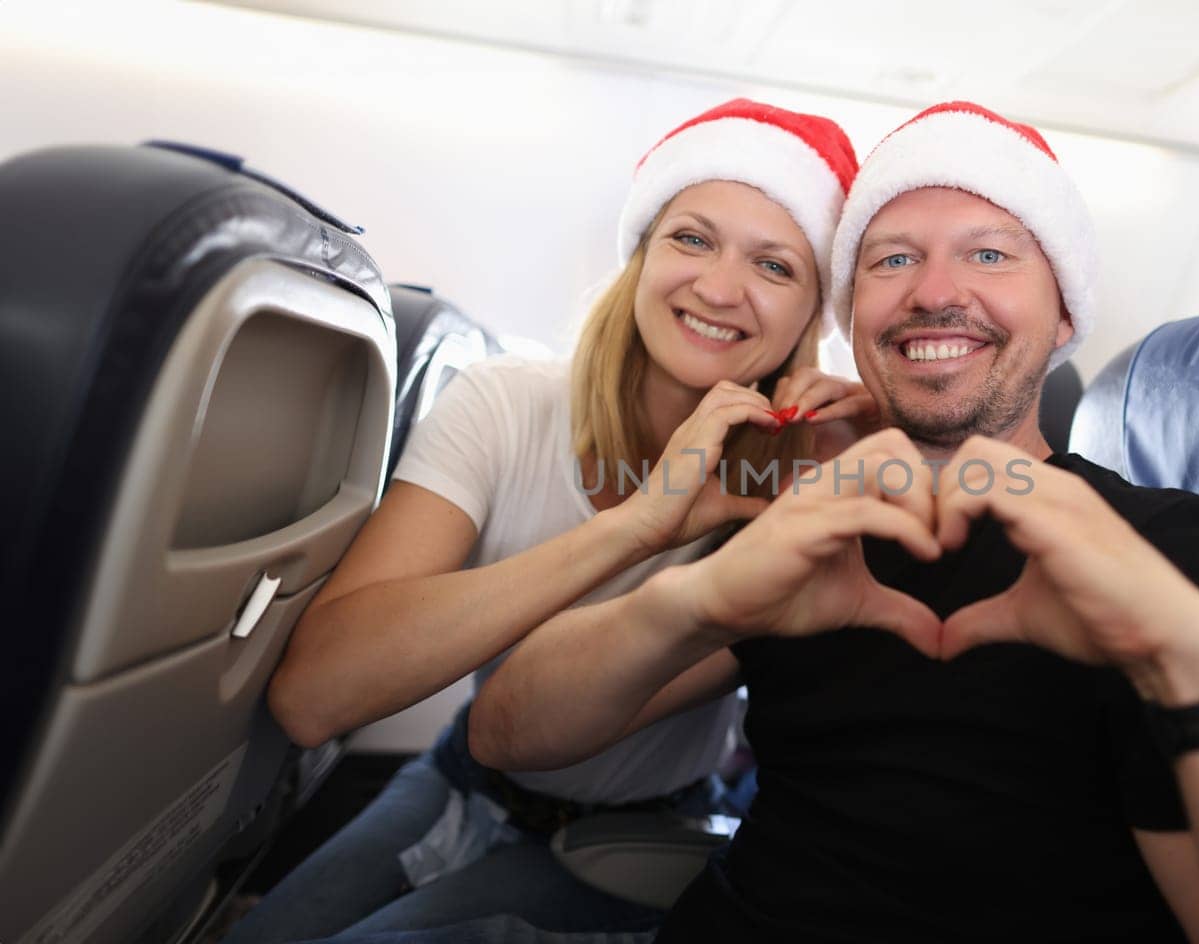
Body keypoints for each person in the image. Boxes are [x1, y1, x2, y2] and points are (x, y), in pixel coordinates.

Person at [456, 101, 1199, 942]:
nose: (936, 290)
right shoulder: (813, 521)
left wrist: (1181, 654)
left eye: (988, 252)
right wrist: (700, 596)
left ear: (1063, 313)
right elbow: (509, 732)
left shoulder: (1161, 547)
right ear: (855, 316)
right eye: (891, 258)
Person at [223, 98, 863, 942]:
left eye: (775, 267)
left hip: (643, 827)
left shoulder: (795, 483)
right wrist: (637, 525)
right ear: (642, 254)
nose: (718, 287)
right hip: (463, 778)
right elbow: (314, 700)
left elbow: (525, 731)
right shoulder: (504, 406)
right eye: (692, 238)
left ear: (811, 316)